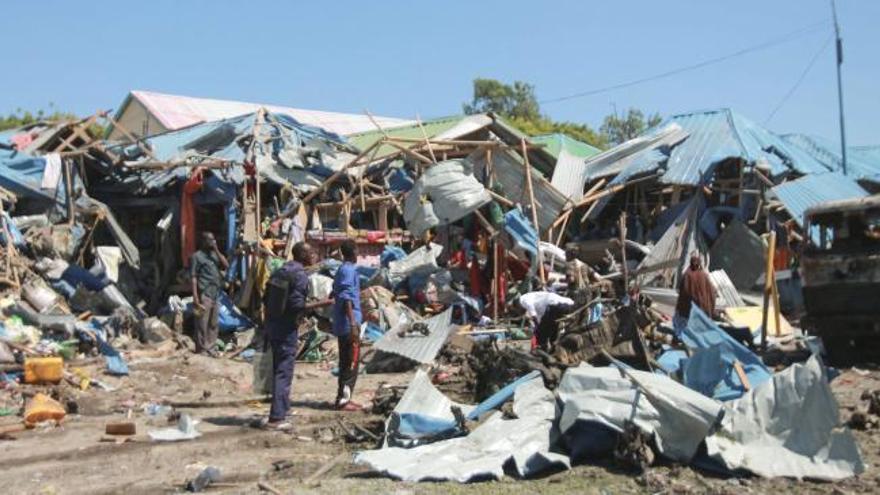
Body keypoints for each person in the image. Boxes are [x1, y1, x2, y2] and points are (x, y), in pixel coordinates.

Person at [262, 242, 314, 430]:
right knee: (284, 371)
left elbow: (265, 297)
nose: (314, 255)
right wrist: (323, 303)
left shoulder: (281, 270)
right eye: (311, 252)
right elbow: (296, 306)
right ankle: (276, 418)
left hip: (273, 325)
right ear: (303, 255)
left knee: (278, 369)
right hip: (286, 328)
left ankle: (283, 408)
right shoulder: (299, 275)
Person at [331, 240, 363, 411]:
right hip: (348, 324)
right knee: (351, 362)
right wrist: (352, 323)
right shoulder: (348, 270)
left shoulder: (342, 270)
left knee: (346, 361)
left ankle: (342, 397)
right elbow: (346, 298)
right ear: (354, 251)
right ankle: (344, 400)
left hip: (343, 323)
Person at [190, 232, 228, 356]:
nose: (213, 241)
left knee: (213, 323)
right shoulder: (197, 256)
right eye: (210, 240)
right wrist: (195, 296)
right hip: (204, 293)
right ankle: (202, 349)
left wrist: (216, 249)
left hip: (215, 293)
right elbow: (194, 277)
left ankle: (211, 347)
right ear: (203, 241)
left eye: (214, 239)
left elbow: (226, 265)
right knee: (202, 323)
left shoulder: (213, 255)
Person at [675, 254, 716, 329]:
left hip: (688, 310)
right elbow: (712, 292)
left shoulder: (687, 274)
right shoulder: (703, 275)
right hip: (702, 310)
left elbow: (682, 291)